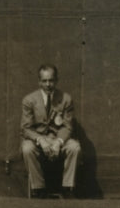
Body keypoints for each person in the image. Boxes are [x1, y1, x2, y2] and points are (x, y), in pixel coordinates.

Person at [20, 64, 81, 198]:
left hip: (58, 139)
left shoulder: (66, 99)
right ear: (39, 81)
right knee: (27, 148)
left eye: (51, 80)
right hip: (38, 141)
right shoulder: (29, 100)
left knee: (74, 147)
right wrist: (41, 140)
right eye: (44, 81)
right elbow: (26, 128)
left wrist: (58, 142)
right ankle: (38, 189)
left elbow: (68, 126)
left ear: (56, 80)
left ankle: (68, 188)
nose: (48, 84)